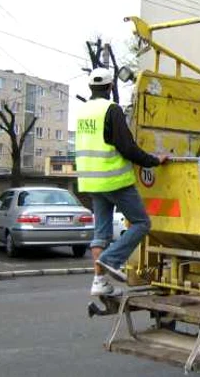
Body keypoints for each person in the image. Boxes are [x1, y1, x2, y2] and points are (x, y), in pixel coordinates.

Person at [75, 68, 168, 296]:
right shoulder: (112, 110)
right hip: (113, 179)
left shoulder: (83, 112)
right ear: (110, 87)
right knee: (142, 223)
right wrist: (154, 160)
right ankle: (111, 259)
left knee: (101, 234)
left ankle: (99, 282)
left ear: (91, 88)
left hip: (90, 181)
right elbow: (127, 147)